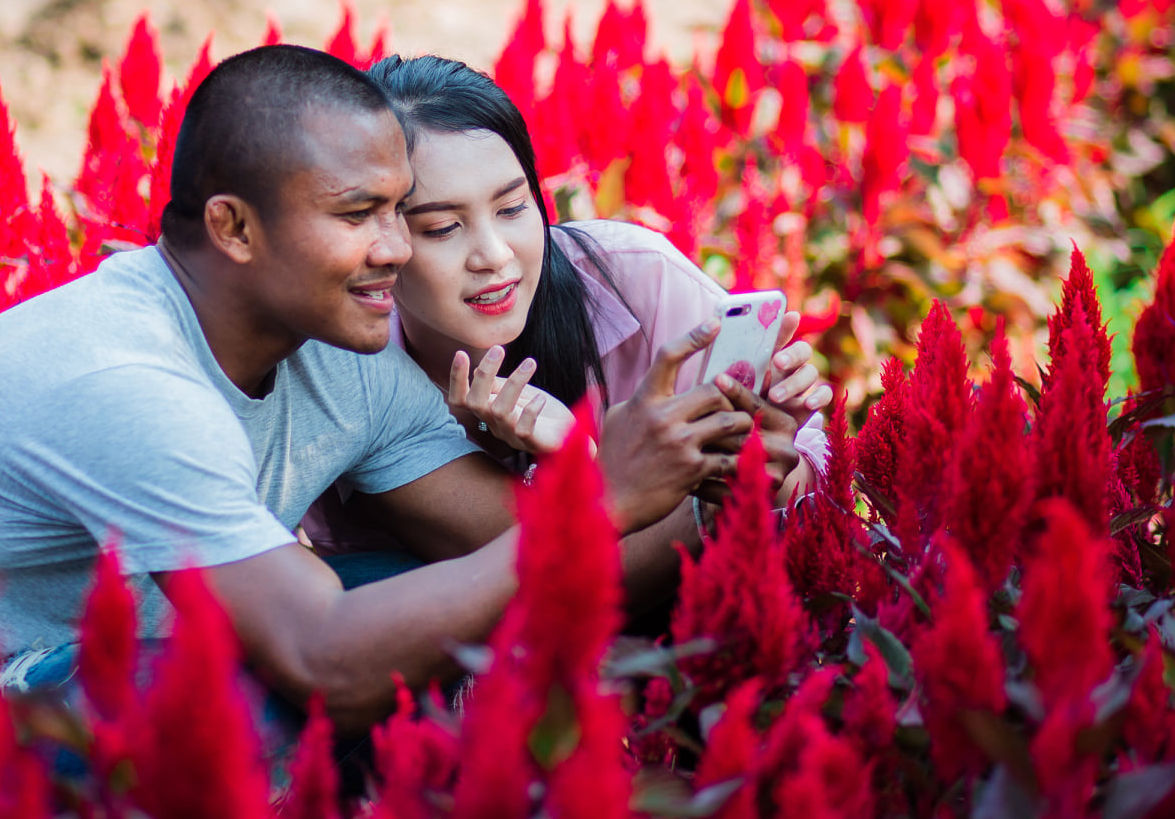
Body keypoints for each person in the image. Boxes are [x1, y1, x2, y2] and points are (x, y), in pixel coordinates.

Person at [0, 44, 764, 789]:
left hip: (99, 691)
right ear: (235, 228)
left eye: (397, 212)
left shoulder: (348, 354)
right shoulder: (127, 379)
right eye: (358, 215)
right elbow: (323, 660)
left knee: (435, 596)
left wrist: (720, 470)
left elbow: (523, 554)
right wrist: (602, 503)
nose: (393, 251)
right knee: (286, 681)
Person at [305, 54, 832, 559]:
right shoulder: (347, 365)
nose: (495, 255)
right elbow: (536, 581)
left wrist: (775, 458)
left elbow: (813, 479)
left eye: (513, 207)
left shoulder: (633, 277)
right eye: (442, 227)